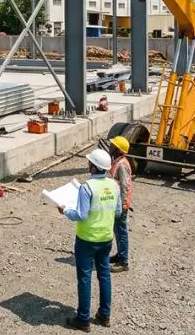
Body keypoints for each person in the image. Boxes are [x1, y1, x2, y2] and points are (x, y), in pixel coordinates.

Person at [59, 148, 121, 331]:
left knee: (85, 278)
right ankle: (104, 315)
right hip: (106, 238)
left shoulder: (87, 187)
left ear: (93, 166)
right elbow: (117, 211)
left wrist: (65, 210)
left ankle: (83, 319)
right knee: (104, 275)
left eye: (89, 162)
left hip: (87, 239)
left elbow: (81, 214)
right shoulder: (114, 185)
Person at [107, 136, 132, 273]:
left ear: (118, 149)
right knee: (117, 230)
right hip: (117, 203)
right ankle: (120, 255)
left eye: (113, 146)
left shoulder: (121, 165)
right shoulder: (117, 162)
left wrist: (122, 205)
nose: (110, 147)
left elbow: (124, 186)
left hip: (120, 205)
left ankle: (124, 261)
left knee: (121, 231)